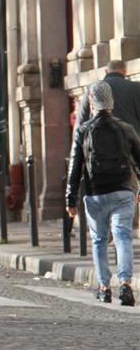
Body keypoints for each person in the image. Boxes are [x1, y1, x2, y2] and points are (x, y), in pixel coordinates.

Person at [66, 81, 138, 306]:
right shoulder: (125, 129)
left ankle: (104, 286)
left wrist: (70, 198)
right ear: (112, 102)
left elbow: (75, 166)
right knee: (123, 237)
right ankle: (125, 284)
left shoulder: (83, 130)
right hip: (123, 189)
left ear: (91, 102)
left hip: (95, 192)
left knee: (98, 240)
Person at [74, 60, 140, 135]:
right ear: (124, 71)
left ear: (106, 71)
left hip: (101, 140)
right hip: (131, 139)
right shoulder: (137, 88)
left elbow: (81, 120)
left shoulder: (93, 88)